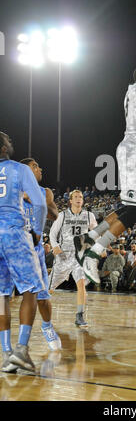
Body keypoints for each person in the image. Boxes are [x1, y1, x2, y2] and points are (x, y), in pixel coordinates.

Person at [74, 3, 136, 281]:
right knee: (135, 211)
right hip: (135, 150)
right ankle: (93, 254)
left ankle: (88, 237)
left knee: (128, 207)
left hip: (135, 150)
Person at [0, 132, 47, 373]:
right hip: (13, 233)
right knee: (31, 289)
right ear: (5, 148)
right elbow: (39, 202)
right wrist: (37, 232)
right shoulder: (19, 169)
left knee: (2, 296)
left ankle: (6, 354)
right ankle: (21, 350)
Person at [20, 158, 61, 351]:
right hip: (12, 250)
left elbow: (55, 215)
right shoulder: (10, 192)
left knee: (42, 299)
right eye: (35, 166)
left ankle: (47, 326)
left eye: (38, 165)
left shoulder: (46, 192)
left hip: (34, 252)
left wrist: (36, 200)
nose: (40, 168)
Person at [49, 190, 97, 327]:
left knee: (81, 284)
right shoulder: (63, 215)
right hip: (63, 255)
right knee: (49, 288)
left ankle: (80, 315)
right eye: (75, 197)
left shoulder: (89, 215)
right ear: (70, 200)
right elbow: (53, 234)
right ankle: (39, 307)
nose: (78, 199)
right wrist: (55, 246)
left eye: (80, 197)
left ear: (83, 200)